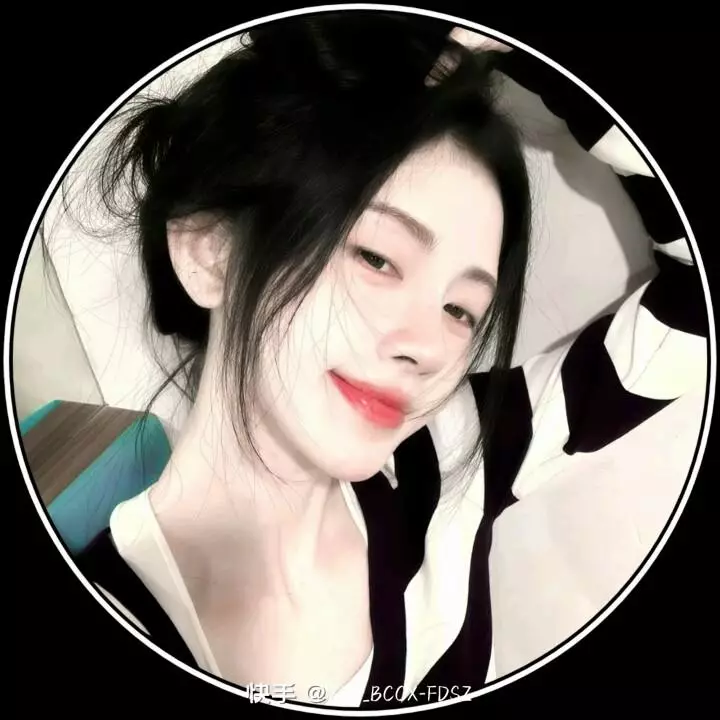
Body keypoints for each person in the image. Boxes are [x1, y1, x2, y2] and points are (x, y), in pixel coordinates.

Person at [69, 13, 708, 709]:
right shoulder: (126, 611)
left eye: (461, 309)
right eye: (378, 259)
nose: (429, 348)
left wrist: (501, 48)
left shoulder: (451, 455)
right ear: (211, 253)